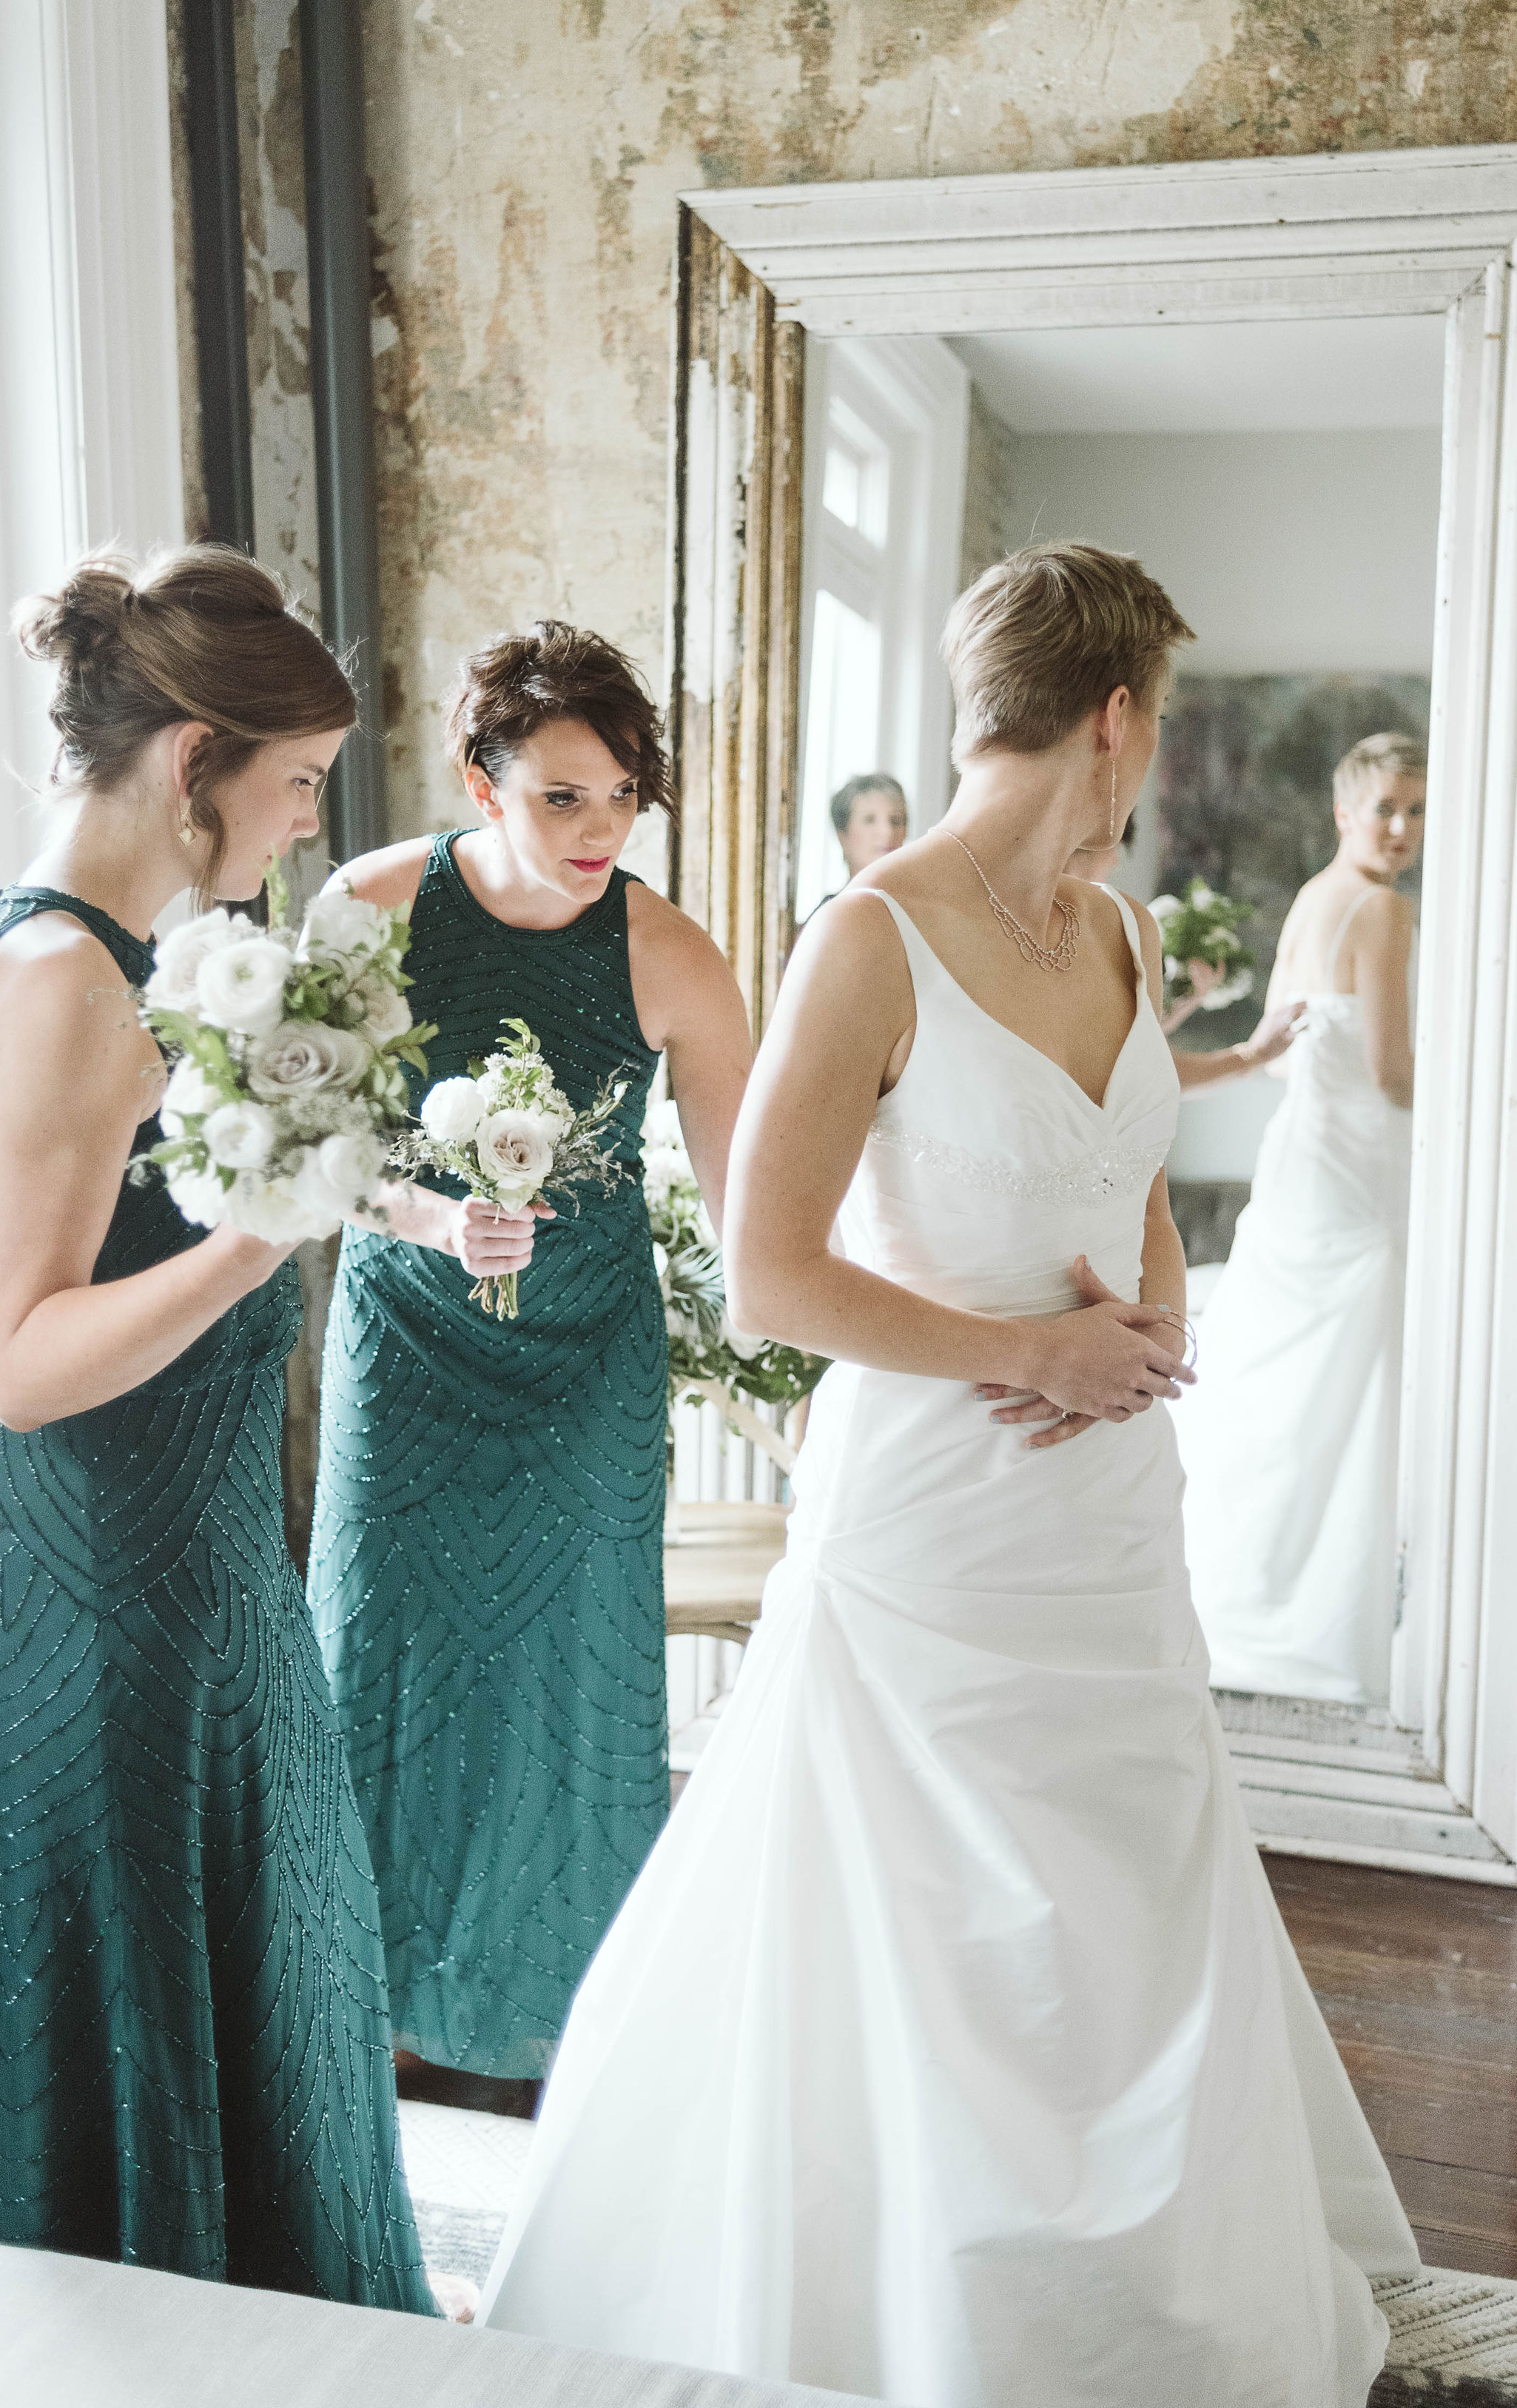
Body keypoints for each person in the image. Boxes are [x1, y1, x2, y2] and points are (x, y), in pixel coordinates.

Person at [474, 546, 1416, 2401]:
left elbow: (1133, 1168)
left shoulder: (1123, 930)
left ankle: (1153, 2291)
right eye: (1144, 733)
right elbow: (774, 1269)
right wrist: (1032, 1351)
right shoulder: (868, 937)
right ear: (1117, 716)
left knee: (1129, 1894)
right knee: (917, 1926)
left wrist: (1141, 1326)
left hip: (1106, 1502)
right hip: (933, 1509)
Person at [0, 548, 432, 2304]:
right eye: (295, 784)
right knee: (161, 2111)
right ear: (191, 758)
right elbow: (17, 1359)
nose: (304, 824)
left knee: (281, 2044)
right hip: (99, 1631)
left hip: (211, 1599)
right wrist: (256, 1245)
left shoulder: (163, 959)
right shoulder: (62, 981)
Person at [307, 622, 750, 2095]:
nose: (598, 830)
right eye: (563, 796)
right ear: (479, 775)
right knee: (380, 1653)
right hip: (408, 1341)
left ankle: (569, 2017)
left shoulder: (675, 956)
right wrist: (428, 1217)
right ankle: (350, 2016)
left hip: (586, 1363)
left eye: (623, 797)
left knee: (570, 1674)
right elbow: (310, 1151)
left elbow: (760, 1204)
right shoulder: (369, 907)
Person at [1171, 733, 1426, 1707]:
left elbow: (1274, 1054)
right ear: (1342, 811)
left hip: (1303, 1157)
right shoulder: (1380, 910)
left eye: (1415, 810)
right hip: (1354, 1169)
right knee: (1337, 1384)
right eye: (1385, 809)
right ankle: (1304, 1618)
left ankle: (1243, 1595)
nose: (1401, 830)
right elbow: (1394, 1074)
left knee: (1292, 1383)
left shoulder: (1314, 897)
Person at [1069, 819, 1305, 1090]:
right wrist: (1252, 1055)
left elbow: (1118, 1048)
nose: (1115, 863)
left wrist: (1185, 1001)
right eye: (1113, 846)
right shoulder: (1086, 940)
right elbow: (1139, 1071)